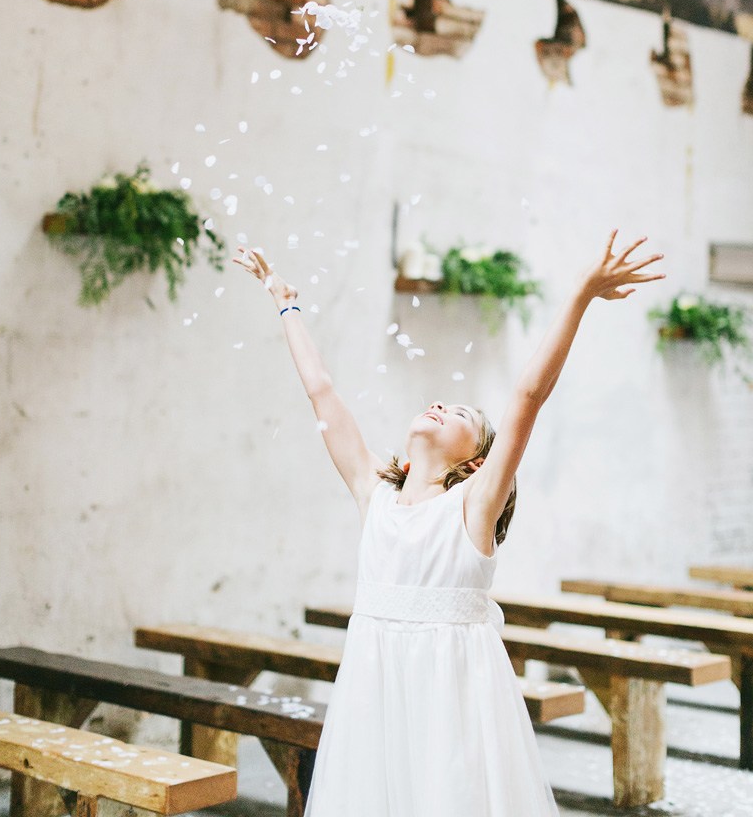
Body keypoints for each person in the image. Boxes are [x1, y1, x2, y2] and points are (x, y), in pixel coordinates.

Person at [234, 229, 665, 816]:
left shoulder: (472, 506)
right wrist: (285, 301)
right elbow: (322, 393)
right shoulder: (373, 495)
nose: (441, 403)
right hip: (377, 691)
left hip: (454, 696)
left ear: (477, 462)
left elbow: (529, 395)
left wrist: (580, 295)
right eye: (442, 402)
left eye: (460, 412)